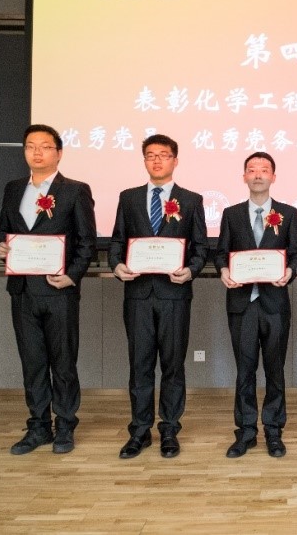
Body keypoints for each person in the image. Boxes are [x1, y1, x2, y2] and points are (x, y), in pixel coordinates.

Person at [0, 124, 96, 455]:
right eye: (30, 146)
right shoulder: (13, 189)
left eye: (45, 146)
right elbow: (2, 230)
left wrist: (72, 276)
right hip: (22, 289)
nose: (36, 152)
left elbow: (87, 242)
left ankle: (65, 424)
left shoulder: (75, 190)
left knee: (63, 362)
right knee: (32, 362)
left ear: (59, 153)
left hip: (59, 290)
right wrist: (1, 246)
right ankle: (38, 426)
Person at [108, 134, 208, 459]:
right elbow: (117, 241)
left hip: (174, 294)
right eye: (150, 155)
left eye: (163, 155)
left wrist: (191, 270)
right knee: (139, 364)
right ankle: (139, 431)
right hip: (137, 294)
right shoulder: (129, 198)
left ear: (175, 161)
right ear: (144, 160)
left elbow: (200, 247)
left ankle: (169, 430)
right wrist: (117, 265)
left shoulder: (191, 200)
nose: (157, 160)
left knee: (172, 365)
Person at [214, 152, 297, 458]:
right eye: (252, 170)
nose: (257, 174)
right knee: (245, 371)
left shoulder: (288, 213)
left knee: (275, 370)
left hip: (274, 303)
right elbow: (221, 252)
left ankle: (274, 432)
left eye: (264, 170)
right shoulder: (231, 214)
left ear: (273, 177)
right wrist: (223, 270)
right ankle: (246, 432)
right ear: (244, 177)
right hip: (242, 303)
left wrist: (290, 272)